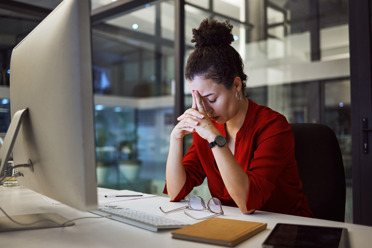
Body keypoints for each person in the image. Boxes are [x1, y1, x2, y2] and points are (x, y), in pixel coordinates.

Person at [163, 19, 313, 217]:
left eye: (211, 99)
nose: (204, 110)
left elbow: (248, 203)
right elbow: (175, 192)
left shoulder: (273, 126)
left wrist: (215, 139)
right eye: (197, 99)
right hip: (236, 228)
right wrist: (176, 138)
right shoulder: (208, 130)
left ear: (236, 85)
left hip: (288, 231)